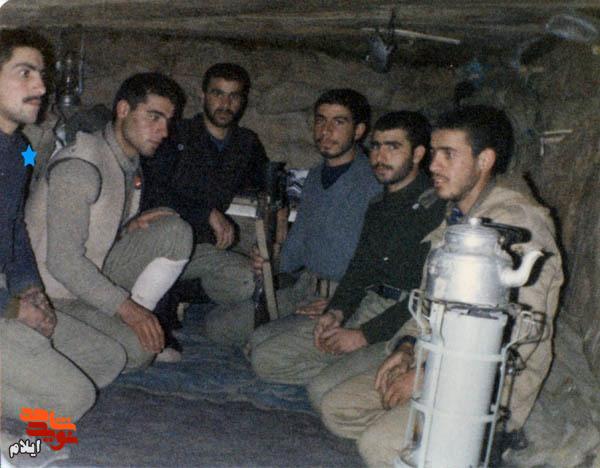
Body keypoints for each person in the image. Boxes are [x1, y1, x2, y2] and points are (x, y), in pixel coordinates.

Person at [320, 105, 564, 467]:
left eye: (448, 154)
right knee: (335, 407)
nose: (433, 165)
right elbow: (428, 303)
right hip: (434, 357)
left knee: (379, 447)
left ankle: (472, 448)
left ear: (484, 161)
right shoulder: (458, 216)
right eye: (434, 153)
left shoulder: (517, 228)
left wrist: (428, 377)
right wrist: (407, 348)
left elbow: (517, 337)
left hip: (486, 390)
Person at [250, 111, 445, 407]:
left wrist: (363, 336)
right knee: (265, 357)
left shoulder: (435, 209)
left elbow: (427, 298)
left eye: (393, 147)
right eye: (376, 146)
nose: (380, 156)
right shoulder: (379, 205)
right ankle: (348, 372)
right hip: (367, 305)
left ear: (418, 154)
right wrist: (337, 312)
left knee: (322, 391)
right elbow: (359, 270)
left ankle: (360, 377)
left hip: (404, 321)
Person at [25, 72, 194, 369]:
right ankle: (30, 346)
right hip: (48, 296)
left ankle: (130, 328)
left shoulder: (127, 161)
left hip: (86, 282)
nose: (164, 131)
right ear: (123, 109)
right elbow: (62, 262)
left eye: (168, 120)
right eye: (154, 117)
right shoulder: (80, 166)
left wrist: (126, 229)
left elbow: (96, 226)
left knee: (175, 231)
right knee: (136, 353)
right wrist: (129, 310)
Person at [0, 28, 125, 428]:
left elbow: (13, 228)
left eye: (42, 75)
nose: (41, 87)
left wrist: (30, 290)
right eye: (25, 73)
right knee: (74, 399)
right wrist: (12, 308)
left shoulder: (16, 150)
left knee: (107, 358)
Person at [206, 89, 382, 346]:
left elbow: (380, 261)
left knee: (263, 345)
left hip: (344, 297)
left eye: (338, 122)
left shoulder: (373, 183)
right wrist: (271, 260)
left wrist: (343, 303)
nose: (326, 130)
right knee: (218, 325)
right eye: (321, 120)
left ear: (358, 131)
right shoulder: (315, 178)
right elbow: (297, 247)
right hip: (306, 288)